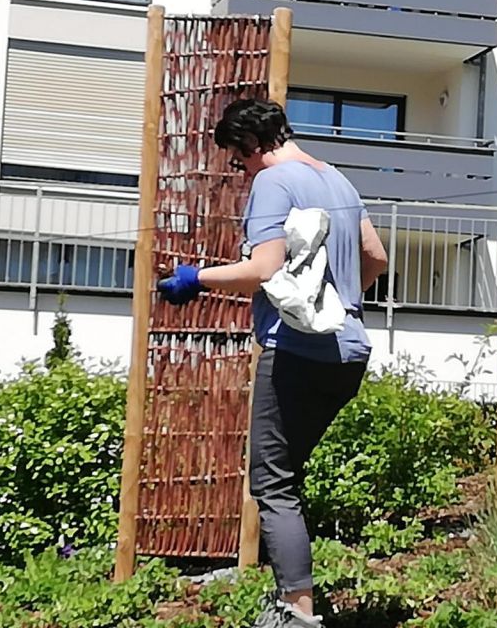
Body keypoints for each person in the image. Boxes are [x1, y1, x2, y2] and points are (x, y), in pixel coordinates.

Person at [157, 98, 388, 628]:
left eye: (238, 160)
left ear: (252, 144)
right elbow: (375, 256)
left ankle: (296, 613)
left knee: (272, 482)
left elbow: (262, 269)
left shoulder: (273, 181)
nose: (241, 172)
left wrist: (195, 279)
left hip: (296, 351)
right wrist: (338, 301)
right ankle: (293, 597)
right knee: (286, 474)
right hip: (347, 352)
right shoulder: (338, 180)